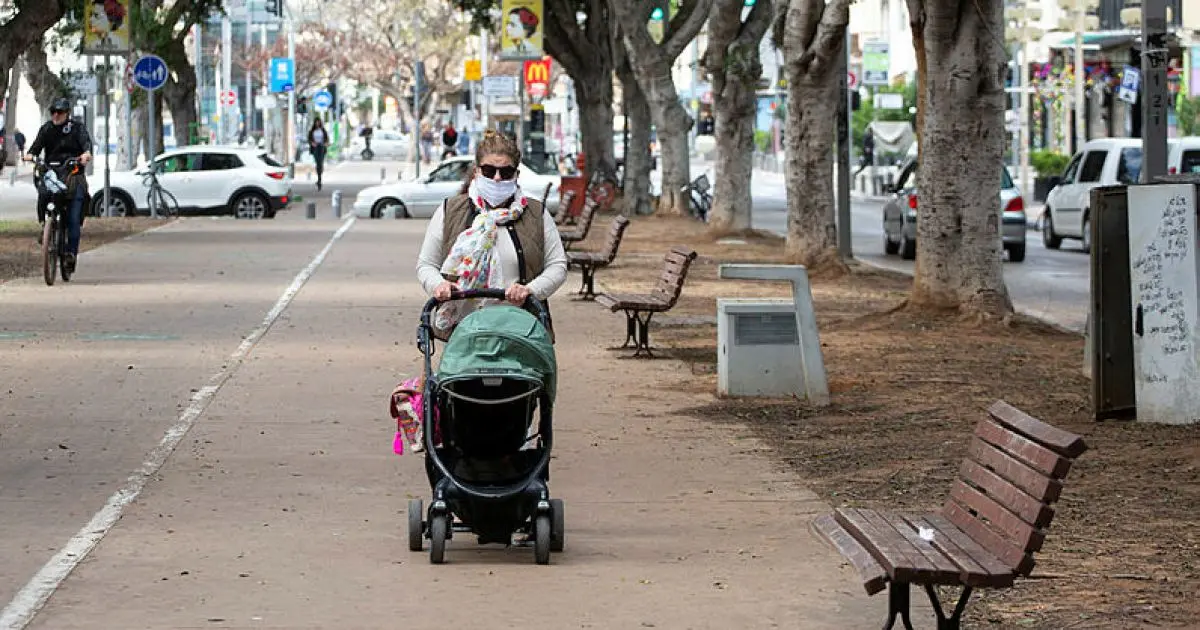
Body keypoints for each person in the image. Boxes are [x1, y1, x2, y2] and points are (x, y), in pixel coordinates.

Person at [416, 130, 566, 340]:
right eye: (489, 171)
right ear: (477, 172)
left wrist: (530, 290)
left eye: (505, 172)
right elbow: (426, 264)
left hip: (521, 328)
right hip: (463, 331)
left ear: (516, 175)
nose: (497, 178)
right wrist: (438, 285)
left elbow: (558, 265)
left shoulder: (536, 214)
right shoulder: (450, 211)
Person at [25, 97, 93, 270]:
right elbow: (34, 149)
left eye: (60, 112)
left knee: (73, 219)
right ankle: (45, 226)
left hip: (73, 175)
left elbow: (87, 147)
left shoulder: (77, 129)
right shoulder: (46, 129)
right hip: (52, 174)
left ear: (67, 113)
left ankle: (71, 253)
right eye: (53, 112)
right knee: (43, 195)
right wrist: (30, 156)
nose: (56, 115)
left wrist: (85, 155)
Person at [307, 117, 329, 191]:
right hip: (315, 148)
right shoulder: (312, 131)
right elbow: (309, 139)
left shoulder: (323, 130)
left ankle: (319, 179)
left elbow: (326, 139)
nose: (317, 123)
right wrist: (312, 143)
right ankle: (319, 179)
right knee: (318, 163)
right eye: (316, 122)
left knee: (321, 163)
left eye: (318, 122)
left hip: (322, 147)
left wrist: (326, 143)